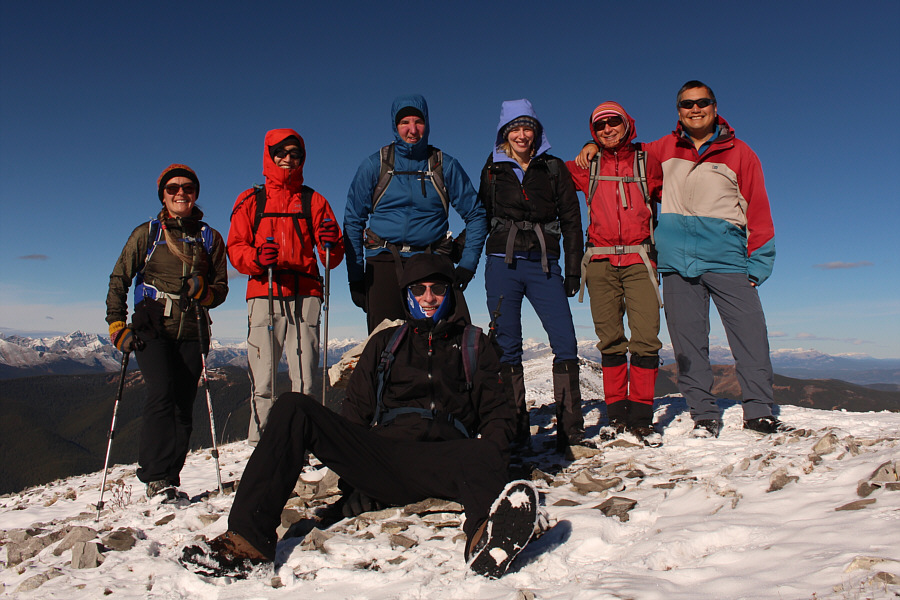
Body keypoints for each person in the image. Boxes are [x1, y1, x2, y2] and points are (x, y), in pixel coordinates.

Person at [180, 254, 539, 579]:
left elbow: (496, 416)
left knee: (483, 450)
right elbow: (354, 416)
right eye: (419, 289)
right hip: (381, 456)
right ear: (406, 294)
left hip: (445, 461)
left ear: (450, 294)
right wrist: (351, 471)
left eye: (438, 288)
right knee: (292, 406)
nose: (429, 297)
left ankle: (484, 539)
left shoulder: (475, 345)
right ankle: (247, 541)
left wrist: (492, 461)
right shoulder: (384, 345)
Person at [576, 81, 789, 438]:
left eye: (702, 102)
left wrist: (759, 263)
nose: (694, 109)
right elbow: (624, 152)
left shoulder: (740, 153)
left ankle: (759, 411)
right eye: (686, 104)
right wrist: (591, 146)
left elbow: (759, 209)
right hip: (676, 264)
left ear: (715, 106)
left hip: (728, 261)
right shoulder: (661, 150)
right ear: (678, 111)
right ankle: (703, 414)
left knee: (750, 338)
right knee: (689, 345)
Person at [106, 164, 229, 499]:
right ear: (163, 194)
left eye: (187, 188)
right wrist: (117, 326)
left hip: (192, 328)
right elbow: (120, 279)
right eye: (173, 188)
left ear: (195, 193)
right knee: (162, 394)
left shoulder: (210, 238)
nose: (180, 193)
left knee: (183, 404)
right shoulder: (147, 233)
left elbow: (220, 290)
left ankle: (169, 478)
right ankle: (154, 476)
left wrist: (204, 291)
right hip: (152, 326)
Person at [478, 99, 584, 454]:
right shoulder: (492, 168)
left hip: (543, 264)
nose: (522, 135)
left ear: (537, 132)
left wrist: (572, 267)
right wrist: (462, 258)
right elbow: (480, 215)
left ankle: (571, 428)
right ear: (504, 133)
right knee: (506, 347)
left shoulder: (553, 168)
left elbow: (571, 219)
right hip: (501, 263)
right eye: (515, 128)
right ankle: (514, 431)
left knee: (565, 342)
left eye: (528, 128)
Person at [227, 129, 344, 445]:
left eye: (295, 154)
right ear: (269, 155)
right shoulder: (251, 200)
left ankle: (303, 441)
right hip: (265, 292)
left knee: (305, 378)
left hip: (305, 295)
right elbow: (235, 249)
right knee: (263, 379)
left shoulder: (314, 201)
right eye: (281, 153)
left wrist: (332, 244)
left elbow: (331, 257)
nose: (289, 159)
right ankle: (261, 444)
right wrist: (256, 258)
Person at [344, 94, 487, 332]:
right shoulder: (374, 165)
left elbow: (476, 214)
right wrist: (356, 277)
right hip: (384, 261)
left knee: (448, 342)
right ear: (395, 126)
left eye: (418, 122)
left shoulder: (443, 165)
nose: (412, 130)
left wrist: (468, 264)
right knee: (385, 343)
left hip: (432, 260)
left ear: (427, 124)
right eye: (404, 123)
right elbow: (353, 221)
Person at [565, 102, 664, 445]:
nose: (607, 129)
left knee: (646, 339)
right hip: (600, 262)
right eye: (600, 125)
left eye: (613, 122)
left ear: (626, 124)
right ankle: (617, 416)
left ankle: (641, 416)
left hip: (639, 260)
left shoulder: (648, 161)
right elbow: (543, 174)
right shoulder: (586, 166)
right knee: (610, 341)